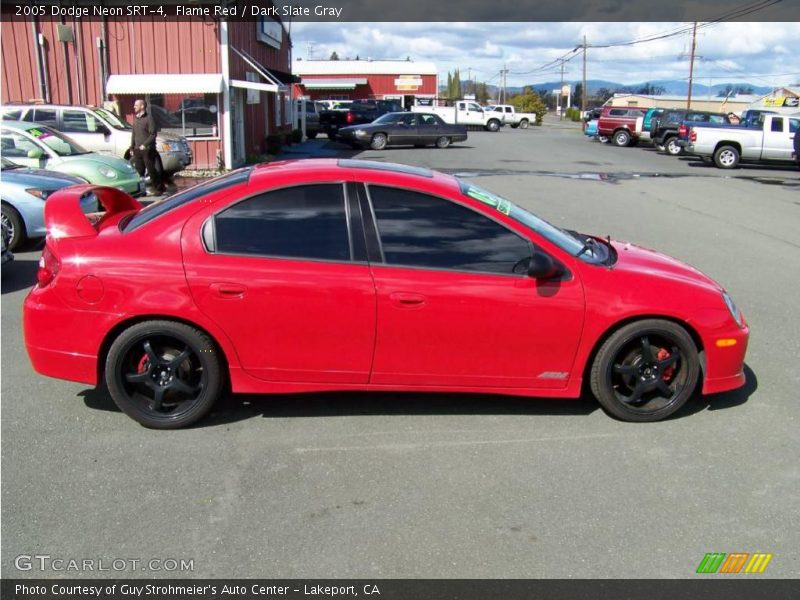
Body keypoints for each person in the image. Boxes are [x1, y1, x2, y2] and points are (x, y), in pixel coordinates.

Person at [130, 99, 165, 195]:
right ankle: (141, 190)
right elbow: (134, 134)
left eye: (136, 105)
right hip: (137, 150)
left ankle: (159, 189)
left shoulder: (149, 118)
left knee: (151, 170)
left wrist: (145, 145)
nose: (134, 107)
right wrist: (132, 147)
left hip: (148, 150)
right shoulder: (136, 119)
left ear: (142, 106)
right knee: (139, 172)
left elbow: (153, 134)